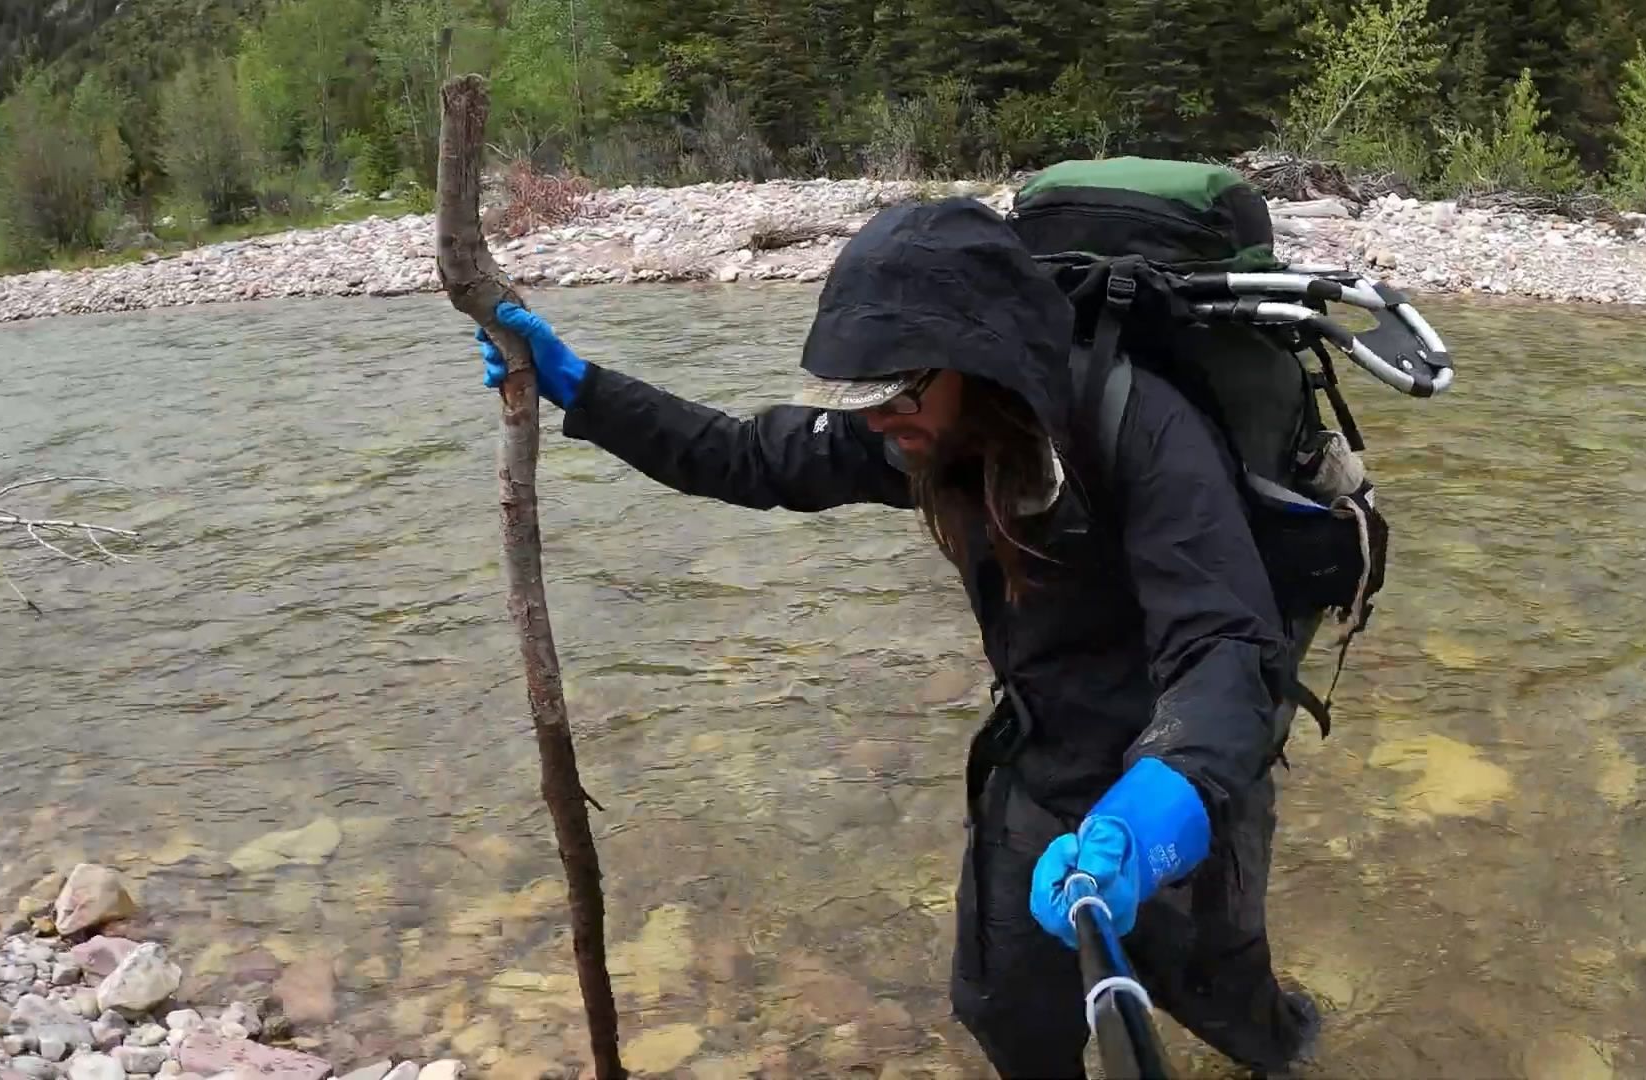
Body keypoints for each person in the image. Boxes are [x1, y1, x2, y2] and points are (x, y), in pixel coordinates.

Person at [472, 196, 1321, 1077]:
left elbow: (1227, 646)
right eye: (861, 399)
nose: (875, 419)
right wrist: (590, 391)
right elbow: (749, 457)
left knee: (1226, 1008)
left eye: (892, 395)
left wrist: (1160, 810)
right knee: (1006, 1008)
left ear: (981, 361)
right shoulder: (924, 431)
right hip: (1041, 758)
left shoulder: (1139, 428)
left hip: (1174, 776)